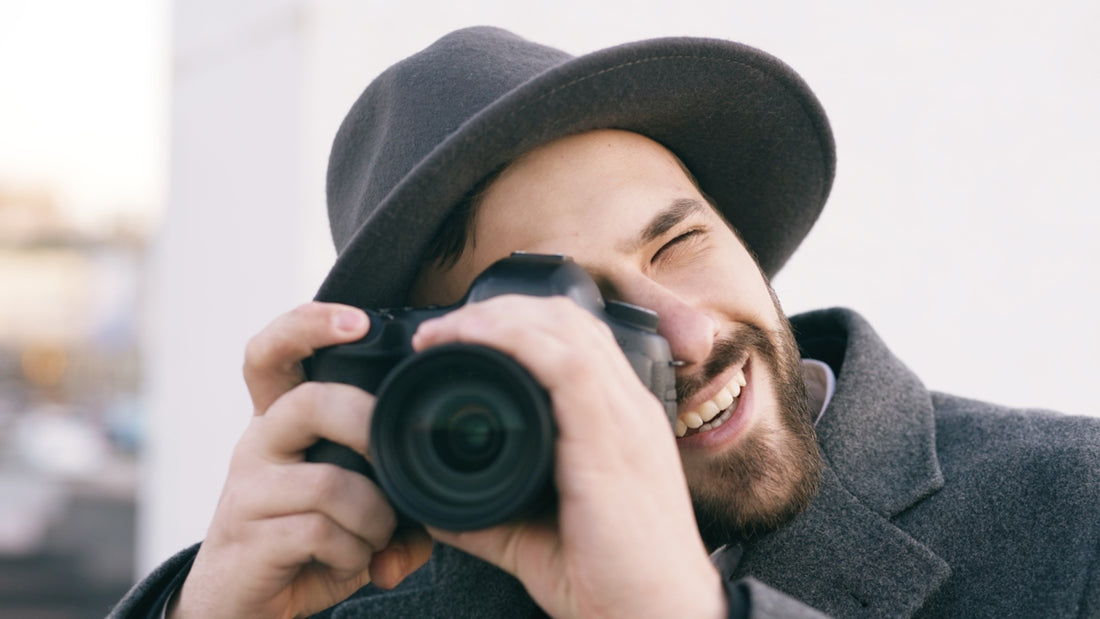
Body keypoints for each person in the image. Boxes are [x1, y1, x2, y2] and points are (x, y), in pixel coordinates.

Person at [112, 26, 1100, 618]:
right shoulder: (367, 595)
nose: (679, 330)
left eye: (678, 243)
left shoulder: (1073, 511)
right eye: (579, 310)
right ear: (464, 386)